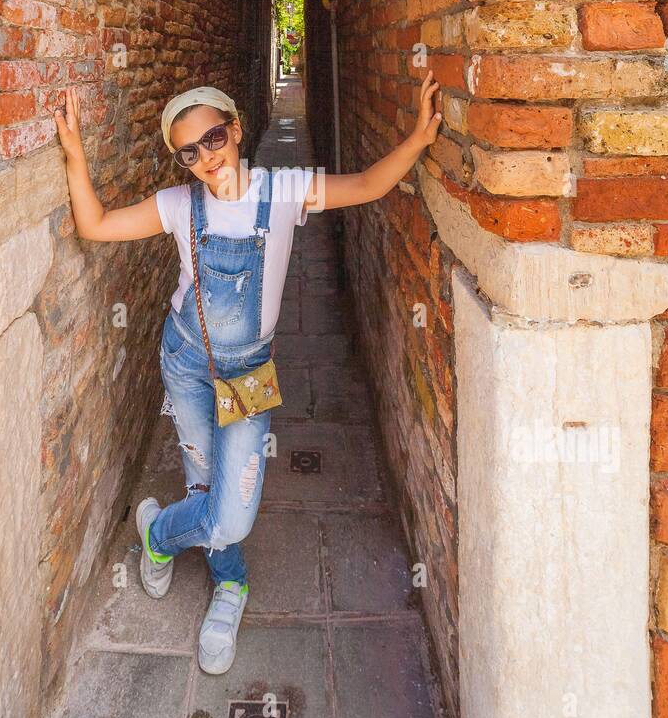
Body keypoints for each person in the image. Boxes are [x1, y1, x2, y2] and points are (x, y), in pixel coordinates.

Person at [54, 73, 442, 674]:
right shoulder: (179, 206)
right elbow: (95, 225)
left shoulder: (282, 191)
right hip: (186, 366)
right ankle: (228, 588)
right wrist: (76, 156)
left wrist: (417, 140)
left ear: (235, 130)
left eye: (213, 138)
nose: (206, 157)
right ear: (181, 161)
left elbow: (366, 185)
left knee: (231, 512)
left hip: (249, 374)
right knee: (205, 488)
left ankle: (157, 535)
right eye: (189, 151)